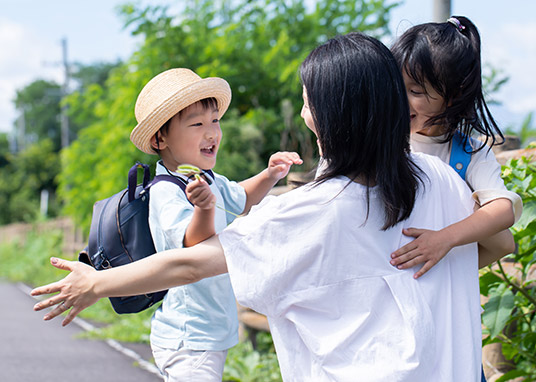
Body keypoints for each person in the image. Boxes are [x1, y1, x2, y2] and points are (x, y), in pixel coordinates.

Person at [32, 32, 483, 381]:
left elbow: (190, 264)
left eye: (308, 103)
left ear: (326, 116)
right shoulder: (442, 179)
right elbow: (497, 239)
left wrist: (97, 284)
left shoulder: (313, 210)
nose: (305, 114)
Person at [127, 68, 302, 381]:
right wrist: (204, 208)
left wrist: (270, 174)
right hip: (189, 335)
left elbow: (241, 197)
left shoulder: (206, 178)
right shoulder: (167, 190)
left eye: (215, 121)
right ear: (160, 138)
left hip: (207, 330)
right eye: (197, 124)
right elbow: (193, 243)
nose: (211, 133)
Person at [389, 16, 523, 278]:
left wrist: (443, 240)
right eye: (396, 88)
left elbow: (502, 209)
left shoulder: (468, 153)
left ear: (454, 96)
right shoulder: (386, 140)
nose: (401, 101)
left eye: (415, 92)